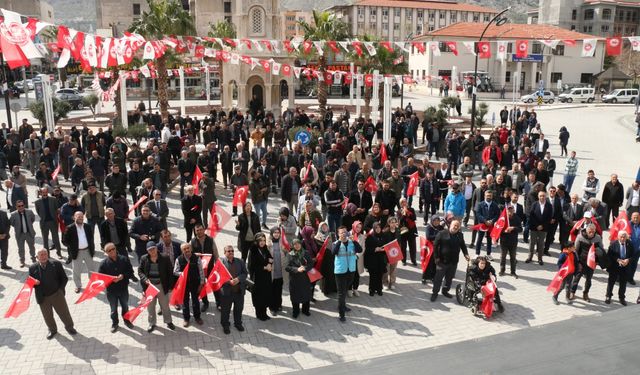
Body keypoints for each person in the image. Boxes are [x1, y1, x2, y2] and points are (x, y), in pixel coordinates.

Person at [29, 248, 77, 340]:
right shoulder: (32, 268)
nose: (43, 257)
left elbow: (64, 278)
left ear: (48, 255)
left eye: (45, 254)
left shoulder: (56, 264)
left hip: (56, 294)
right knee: (47, 316)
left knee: (64, 313)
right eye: (41, 255)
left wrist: (60, 290)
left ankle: (70, 327)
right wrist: (34, 283)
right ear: (37, 257)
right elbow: (30, 283)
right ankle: (52, 330)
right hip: (43, 297)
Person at [138, 241, 176, 333]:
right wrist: (145, 279)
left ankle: (168, 321)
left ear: (156, 248)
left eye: (153, 249)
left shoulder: (165, 257)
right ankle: (152, 323)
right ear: (147, 251)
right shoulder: (143, 258)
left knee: (165, 306)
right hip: (150, 287)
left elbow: (170, 273)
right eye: (150, 250)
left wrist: (171, 287)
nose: (152, 251)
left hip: (162, 286)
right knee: (150, 307)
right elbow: (140, 271)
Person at [98, 243, 134, 333]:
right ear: (106, 252)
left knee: (125, 306)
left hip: (123, 289)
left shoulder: (124, 259)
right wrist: (110, 280)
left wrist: (123, 276)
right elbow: (100, 278)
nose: (112, 251)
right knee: (113, 309)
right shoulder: (103, 264)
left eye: (113, 249)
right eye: (109, 250)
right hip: (111, 291)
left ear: (115, 248)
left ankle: (127, 320)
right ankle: (115, 323)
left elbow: (130, 271)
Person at [431, 220, 469, 302]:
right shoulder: (442, 233)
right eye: (454, 225)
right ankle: (435, 293)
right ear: (450, 225)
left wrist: (465, 254)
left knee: (449, 278)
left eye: (457, 226)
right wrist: (436, 258)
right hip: (442, 261)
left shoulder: (460, 235)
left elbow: (463, 245)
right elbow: (435, 246)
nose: (456, 227)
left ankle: (445, 291)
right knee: (438, 279)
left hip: (453, 262)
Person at [332, 226, 363, 322]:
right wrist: (340, 241)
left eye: (345, 232)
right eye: (341, 233)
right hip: (340, 271)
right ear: (338, 234)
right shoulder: (335, 243)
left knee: (345, 290)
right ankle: (341, 314)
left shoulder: (351, 243)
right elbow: (333, 252)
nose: (344, 234)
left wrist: (354, 241)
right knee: (341, 293)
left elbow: (360, 250)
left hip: (351, 270)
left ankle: (342, 306)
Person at [570, 224, 605, 302]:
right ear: (586, 231)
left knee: (589, 279)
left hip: (591, 262)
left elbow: (601, 249)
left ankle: (585, 293)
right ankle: (572, 292)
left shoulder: (598, 238)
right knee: (577, 278)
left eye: (593, 231)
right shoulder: (580, 237)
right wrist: (577, 262)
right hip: (581, 261)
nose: (591, 233)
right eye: (590, 231)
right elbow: (575, 250)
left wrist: (598, 258)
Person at [173, 243, 205, 327]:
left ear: (191, 248)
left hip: (195, 284)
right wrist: (183, 273)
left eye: (188, 248)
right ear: (182, 250)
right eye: (184, 249)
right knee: (185, 302)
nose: (186, 250)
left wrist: (201, 283)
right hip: (184, 285)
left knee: (195, 301)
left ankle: (197, 317)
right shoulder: (178, 259)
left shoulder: (197, 258)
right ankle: (186, 319)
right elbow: (175, 272)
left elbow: (201, 271)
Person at [219, 245, 248, 334]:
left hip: (239, 292)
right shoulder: (221, 263)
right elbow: (218, 276)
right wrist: (229, 281)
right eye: (228, 251)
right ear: (224, 253)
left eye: (232, 251)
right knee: (225, 311)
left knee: (239, 309)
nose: (231, 252)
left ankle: (238, 323)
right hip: (227, 293)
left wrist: (238, 279)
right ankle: (225, 325)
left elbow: (245, 273)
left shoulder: (240, 261)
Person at [190, 224, 219, 312]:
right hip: (199, 268)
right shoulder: (192, 241)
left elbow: (215, 253)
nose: (199, 232)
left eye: (200, 230)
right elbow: (189, 254)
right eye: (197, 230)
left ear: (204, 230)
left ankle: (219, 303)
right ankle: (205, 303)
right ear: (195, 231)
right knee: (202, 286)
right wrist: (195, 254)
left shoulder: (210, 239)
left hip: (210, 267)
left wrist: (217, 265)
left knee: (214, 285)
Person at [286, 239, 314, 318]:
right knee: (295, 296)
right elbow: (287, 267)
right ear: (292, 245)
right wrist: (296, 269)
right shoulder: (290, 254)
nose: (297, 245)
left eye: (298, 243)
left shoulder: (306, 253)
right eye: (295, 244)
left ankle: (305, 310)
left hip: (305, 278)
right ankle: (296, 311)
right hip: (294, 279)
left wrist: (305, 268)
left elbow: (311, 263)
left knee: (306, 294)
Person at [248, 232, 274, 321]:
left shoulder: (265, 248)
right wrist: (264, 267)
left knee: (265, 295)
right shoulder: (253, 250)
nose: (262, 242)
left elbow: (270, 258)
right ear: (256, 241)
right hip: (257, 277)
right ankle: (259, 314)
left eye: (264, 240)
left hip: (266, 277)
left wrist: (270, 263)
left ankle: (264, 313)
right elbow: (251, 266)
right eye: (260, 241)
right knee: (258, 296)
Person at [606, 231, 633, 306]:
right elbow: (609, 255)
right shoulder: (613, 244)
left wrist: (628, 260)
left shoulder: (629, 244)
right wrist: (617, 260)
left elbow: (633, 255)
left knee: (623, 283)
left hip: (625, 267)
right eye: (621, 237)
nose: (622, 238)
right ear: (618, 237)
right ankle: (608, 296)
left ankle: (621, 298)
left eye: (624, 237)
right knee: (611, 282)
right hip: (614, 267)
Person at [34, 187, 62, 258]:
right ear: (40, 193)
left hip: (53, 222)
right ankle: (47, 255)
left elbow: (57, 209)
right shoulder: (37, 202)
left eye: (46, 192)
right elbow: (38, 212)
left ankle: (59, 253)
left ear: (47, 192)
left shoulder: (53, 199)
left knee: (56, 238)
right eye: (43, 192)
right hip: (44, 223)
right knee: (45, 240)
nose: (45, 193)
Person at [526, 191, 552, 265]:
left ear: (545, 196)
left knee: (541, 244)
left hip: (543, 229)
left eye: (543, 196)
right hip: (534, 228)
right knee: (532, 243)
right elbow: (531, 216)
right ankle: (530, 257)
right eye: (540, 196)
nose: (542, 197)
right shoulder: (534, 204)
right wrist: (537, 225)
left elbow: (549, 217)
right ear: (538, 196)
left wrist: (542, 226)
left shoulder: (549, 206)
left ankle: (540, 259)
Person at [10, 199, 37, 267]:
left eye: (22, 205)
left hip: (29, 233)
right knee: (21, 249)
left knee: (32, 247)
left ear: (24, 205)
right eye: (19, 206)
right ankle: (22, 261)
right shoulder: (13, 214)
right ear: (16, 207)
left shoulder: (29, 212)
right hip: (20, 235)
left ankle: (33, 259)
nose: (21, 207)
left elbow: (32, 219)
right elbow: (12, 223)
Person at [474, 191, 500, 259]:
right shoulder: (480, 204)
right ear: (485, 196)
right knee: (479, 239)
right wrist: (485, 221)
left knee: (489, 239)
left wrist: (492, 220)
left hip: (491, 225)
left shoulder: (495, 205)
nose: (488, 197)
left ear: (492, 196)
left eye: (490, 195)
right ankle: (477, 253)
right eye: (487, 195)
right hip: (482, 224)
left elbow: (497, 214)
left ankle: (488, 254)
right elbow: (478, 214)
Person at [268, 227, 288, 315]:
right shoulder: (268, 244)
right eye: (275, 232)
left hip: (281, 271)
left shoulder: (282, 243)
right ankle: (272, 307)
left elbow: (286, 254)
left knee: (279, 289)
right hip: (272, 271)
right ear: (271, 233)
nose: (276, 234)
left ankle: (279, 304)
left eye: (278, 232)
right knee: (272, 290)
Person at [364, 222, 388, 296]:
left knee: (380, 275)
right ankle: (372, 289)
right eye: (376, 228)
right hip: (372, 260)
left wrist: (383, 249)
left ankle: (379, 289)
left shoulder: (384, 236)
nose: (378, 229)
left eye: (379, 227)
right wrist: (375, 249)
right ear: (374, 228)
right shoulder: (370, 237)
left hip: (381, 260)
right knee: (373, 276)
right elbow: (367, 249)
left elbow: (387, 246)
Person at [499, 205, 522, 277]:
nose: (510, 211)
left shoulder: (517, 218)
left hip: (513, 241)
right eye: (508, 210)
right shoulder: (503, 218)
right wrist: (504, 230)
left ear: (514, 210)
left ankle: (513, 272)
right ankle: (502, 270)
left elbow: (521, 229)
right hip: (504, 241)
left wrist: (513, 228)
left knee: (513, 257)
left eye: (511, 210)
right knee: (503, 256)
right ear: (506, 211)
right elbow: (498, 229)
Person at [397, 198, 418, 266]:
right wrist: (404, 214)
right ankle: (403, 260)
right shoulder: (399, 211)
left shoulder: (411, 209)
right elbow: (400, 222)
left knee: (412, 247)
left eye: (405, 202)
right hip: (403, 230)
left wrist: (408, 212)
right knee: (403, 247)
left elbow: (414, 218)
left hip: (411, 230)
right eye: (402, 202)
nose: (404, 203)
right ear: (400, 204)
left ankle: (413, 260)